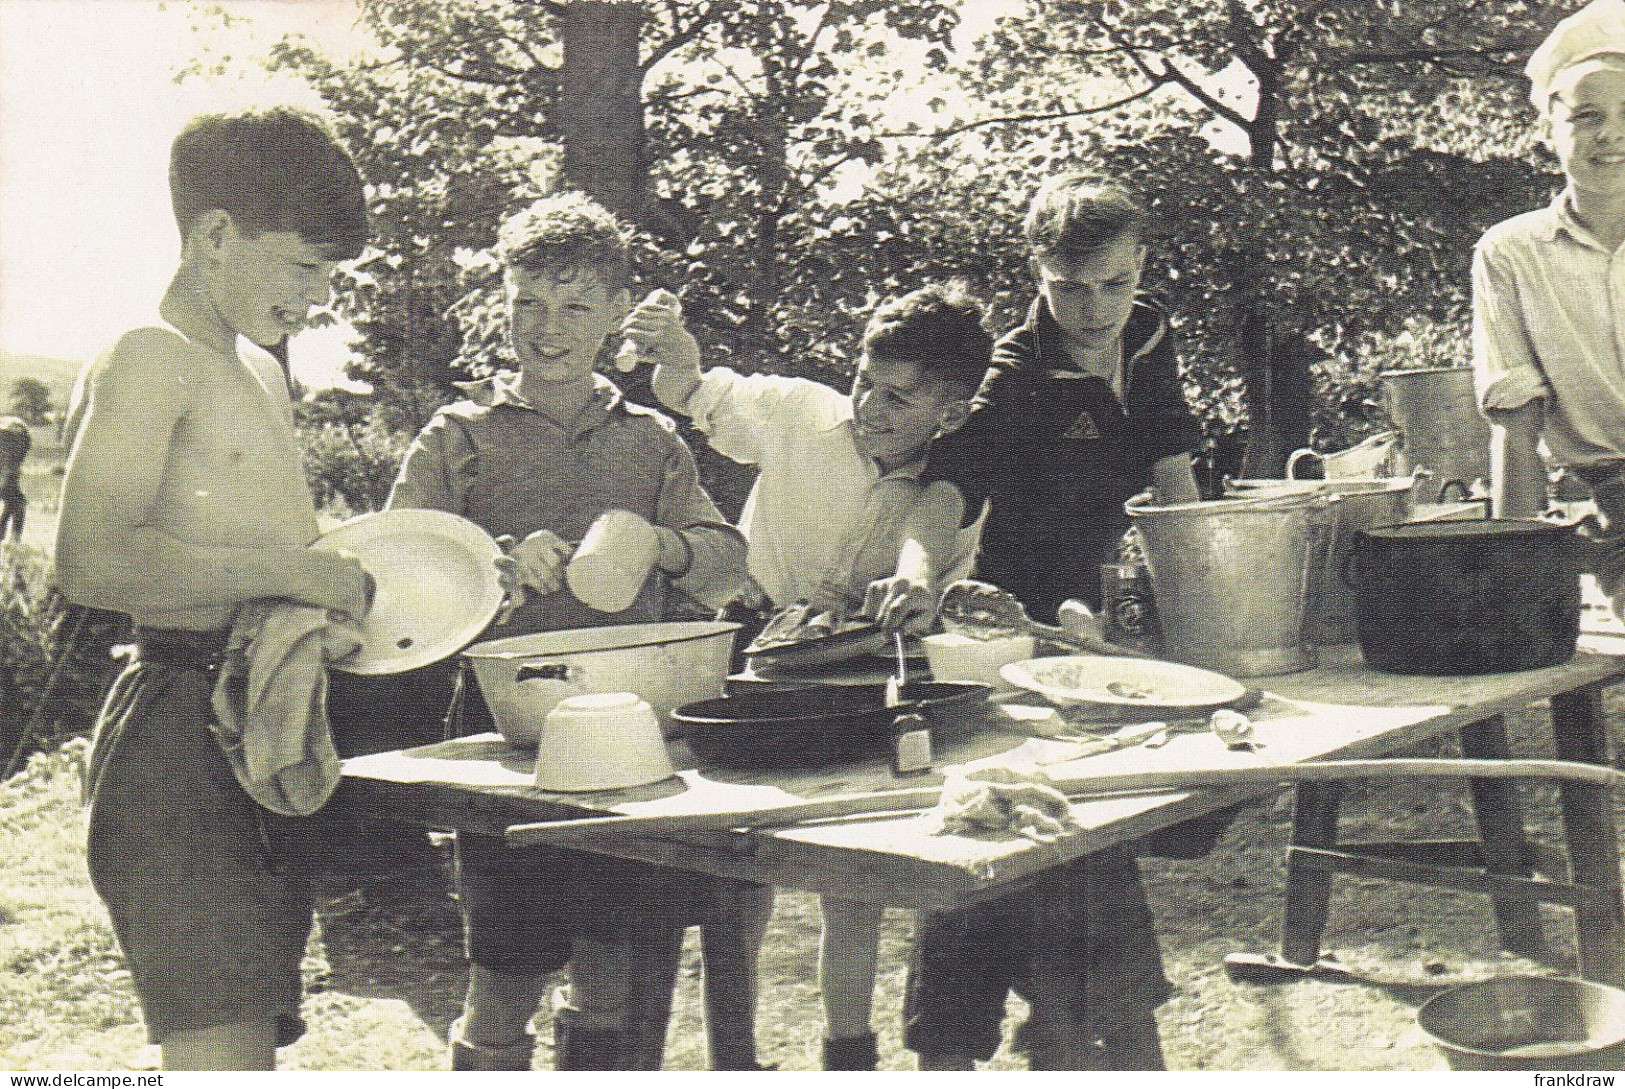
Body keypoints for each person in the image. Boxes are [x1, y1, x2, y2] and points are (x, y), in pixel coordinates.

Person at [386, 193, 757, 1071]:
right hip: (508, 746)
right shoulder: (458, 435)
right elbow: (395, 588)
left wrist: (659, 544)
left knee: (613, 975)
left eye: (575, 307)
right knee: (505, 976)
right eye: (528, 303)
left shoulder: (650, 440)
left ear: (612, 319)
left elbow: (725, 566)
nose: (546, 328)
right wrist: (497, 567)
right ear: (502, 305)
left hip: (631, 743)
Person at [54, 106, 374, 1070]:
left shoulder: (255, 370)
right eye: (301, 267)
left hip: (255, 720)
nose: (318, 297)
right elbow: (91, 561)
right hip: (175, 734)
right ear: (216, 235)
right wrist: (290, 572)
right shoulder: (151, 353)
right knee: (216, 1054)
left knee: (248, 1045)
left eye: (330, 274)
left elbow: (256, 555)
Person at [625, 279, 992, 1070]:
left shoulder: (952, 484)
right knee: (742, 873)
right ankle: (736, 1054)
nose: (869, 406)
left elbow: (933, 564)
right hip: (753, 659)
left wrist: (917, 596)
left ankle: (846, 1055)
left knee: (851, 881)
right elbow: (686, 390)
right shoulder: (796, 409)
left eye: (898, 397)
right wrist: (675, 350)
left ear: (951, 413)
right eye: (865, 380)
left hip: (857, 680)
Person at [899, 175, 1207, 1070]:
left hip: (1118, 629)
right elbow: (947, 486)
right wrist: (916, 573)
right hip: (1022, 638)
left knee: (1096, 833)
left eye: (1113, 283)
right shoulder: (1015, 370)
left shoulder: (1149, 333)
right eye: (1069, 288)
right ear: (1035, 272)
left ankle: (1079, 1025)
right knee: (1004, 827)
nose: (1095, 308)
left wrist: (1188, 601)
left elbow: (1173, 467)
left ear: (1139, 264)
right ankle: (959, 1042)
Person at [1473, 0, 1625, 605]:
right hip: (1601, 498)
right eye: (1588, 117)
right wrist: (1515, 570)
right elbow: (1516, 421)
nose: (1611, 135)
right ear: (1548, 131)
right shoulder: (1510, 252)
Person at [0, 417, 30, 542]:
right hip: (8, 471)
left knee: (13, 502)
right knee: (17, 502)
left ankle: (10, 537)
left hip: (9, 470)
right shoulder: (11, 437)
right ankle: (14, 537)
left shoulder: (17, 437)